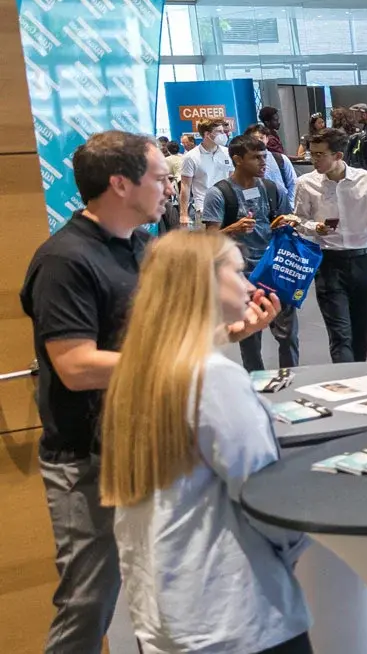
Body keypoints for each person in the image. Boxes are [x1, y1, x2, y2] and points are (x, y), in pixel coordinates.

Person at [23, 131, 280, 654]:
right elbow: (75, 366)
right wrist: (185, 361)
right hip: (85, 458)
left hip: (145, 444)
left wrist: (232, 334)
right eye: (160, 177)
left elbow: (160, 345)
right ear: (120, 183)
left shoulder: (143, 248)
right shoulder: (65, 260)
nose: (171, 186)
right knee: (88, 602)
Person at [99, 230, 313, 654]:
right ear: (205, 282)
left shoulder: (141, 372)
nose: (251, 283)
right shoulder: (213, 378)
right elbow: (262, 496)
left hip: (166, 615)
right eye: (237, 269)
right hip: (236, 613)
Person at [202, 135, 303, 372]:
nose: (263, 162)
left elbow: (288, 222)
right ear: (237, 159)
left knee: (288, 335)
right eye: (256, 157)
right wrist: (232, 230)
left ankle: (291, 378)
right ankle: (254, 382)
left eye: (264, 156)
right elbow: (209, 241)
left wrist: (284, 225)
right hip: (242, 276)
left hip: (275, 270)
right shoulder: (219, 194)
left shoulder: (271, 188)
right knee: (249, 337)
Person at [295, 128, 367, 364]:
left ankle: (358, 378)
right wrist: (314, 227)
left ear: (338, 156)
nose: (313, 159)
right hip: (329, 263)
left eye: (320, 154)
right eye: (312, 154)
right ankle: (346, 381)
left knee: (361, 332)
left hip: (365, 261)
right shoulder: (305, 183)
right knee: (339, 333)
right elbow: (299, 220)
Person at [179, 119, 233, 227]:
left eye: (224, 131)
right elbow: (185, 186)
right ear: (207, 134)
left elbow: (232, 179)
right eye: (219, 132)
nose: (224, 135)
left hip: (228, 206)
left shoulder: (228, 153)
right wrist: (183, 214)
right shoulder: (191, 157)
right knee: (208, 242)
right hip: (204, 208)